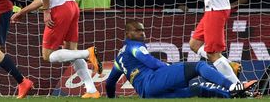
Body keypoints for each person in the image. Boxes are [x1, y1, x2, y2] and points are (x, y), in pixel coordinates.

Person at [9, 0, 102, 99]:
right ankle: (92, 89)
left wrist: (46, 11)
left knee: (48, 55)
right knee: (71, 52)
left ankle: (88, 53)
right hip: (71, 5)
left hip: (59, 9)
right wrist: (23, 12)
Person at [105, 21, 259, 99]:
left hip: (148, 95)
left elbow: (110, 82)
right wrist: (167, 66)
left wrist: (111, 98)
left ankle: (237, 96)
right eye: (137, 30)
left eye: (143, 30)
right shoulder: (135, 47)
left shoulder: (119, 57)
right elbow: (151, 63)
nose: (142, 33)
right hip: (152, 82)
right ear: (126, 33)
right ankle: (233, 86)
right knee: (198, 66)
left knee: (198, 89)